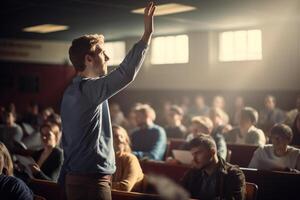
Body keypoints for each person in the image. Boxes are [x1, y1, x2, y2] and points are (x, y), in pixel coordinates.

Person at [58, 3, 156, 200]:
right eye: (102, 53)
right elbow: (125, 73)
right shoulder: (89, 90)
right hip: (92, 181)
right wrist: (146, 35)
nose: (108, 57)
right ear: (89, 59)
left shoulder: (70, 92)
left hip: (73, 178)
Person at [181, 135, 246, 200]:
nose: (194, 159)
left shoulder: (233, 174)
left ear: (212, 152)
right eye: (193, 154)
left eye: (198, 153)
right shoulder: (193, 172)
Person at [112, 125, 144, 192]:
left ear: (126, 140)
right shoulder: (103, 160)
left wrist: (102, 186)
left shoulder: (131, 159)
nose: (120, 140)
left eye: (122, 136)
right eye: (115, 136)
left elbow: (125, 187)